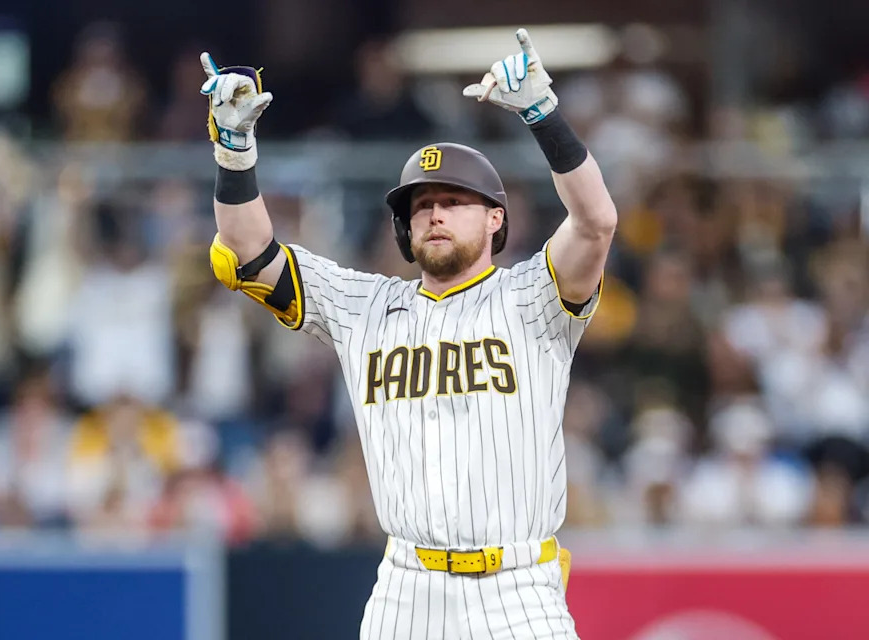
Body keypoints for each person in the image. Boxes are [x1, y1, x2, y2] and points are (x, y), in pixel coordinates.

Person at [199, 27, 617, 639]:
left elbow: (597, 221)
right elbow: (246, 249)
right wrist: (234, 149)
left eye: (454, 200)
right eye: (421, 205)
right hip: (405, 586)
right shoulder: (363, 306)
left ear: (496, 218)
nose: (436, 213)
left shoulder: (534, 295)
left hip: (518, 585)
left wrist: (544, 115)